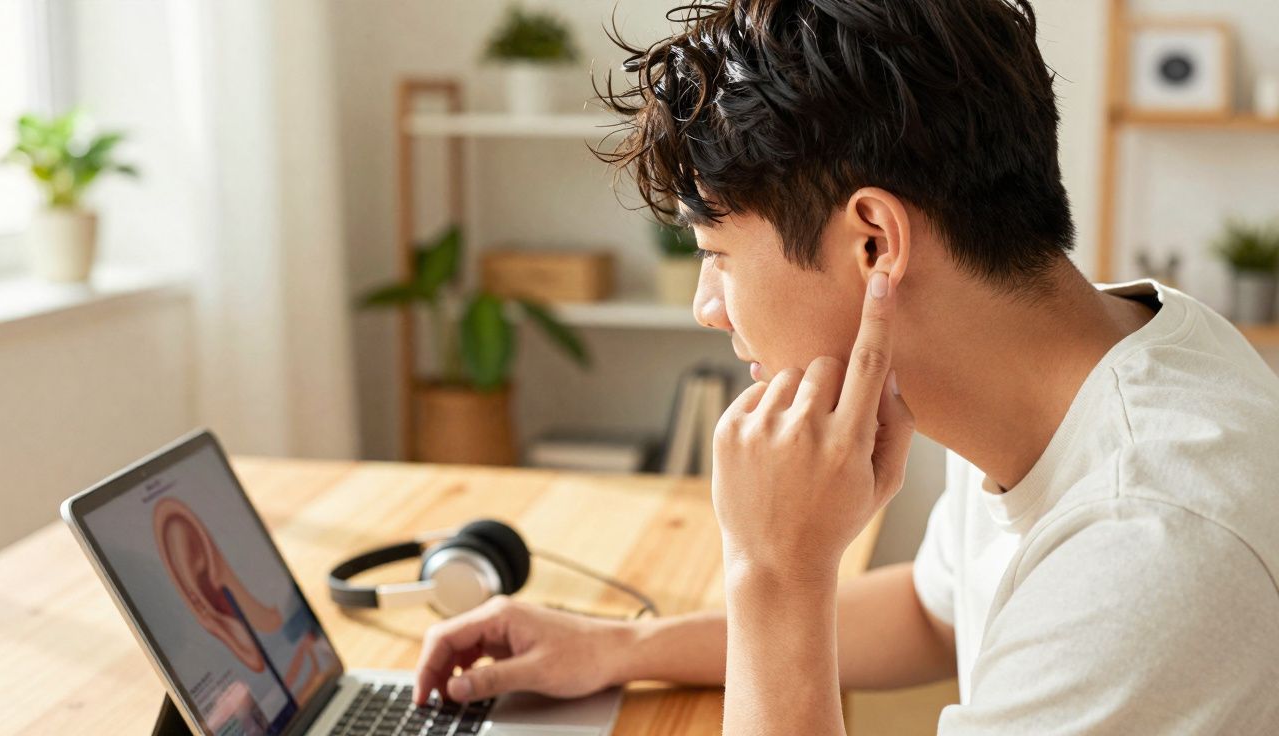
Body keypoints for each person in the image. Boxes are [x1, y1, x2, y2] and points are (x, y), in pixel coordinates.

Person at [412, 1, 1279, 732]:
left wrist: (774, 574)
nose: (706, 306)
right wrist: (618, 647)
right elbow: (931, 612)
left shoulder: (1148, 550)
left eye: (717, 253)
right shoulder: (1080, 351)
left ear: (874, 244)